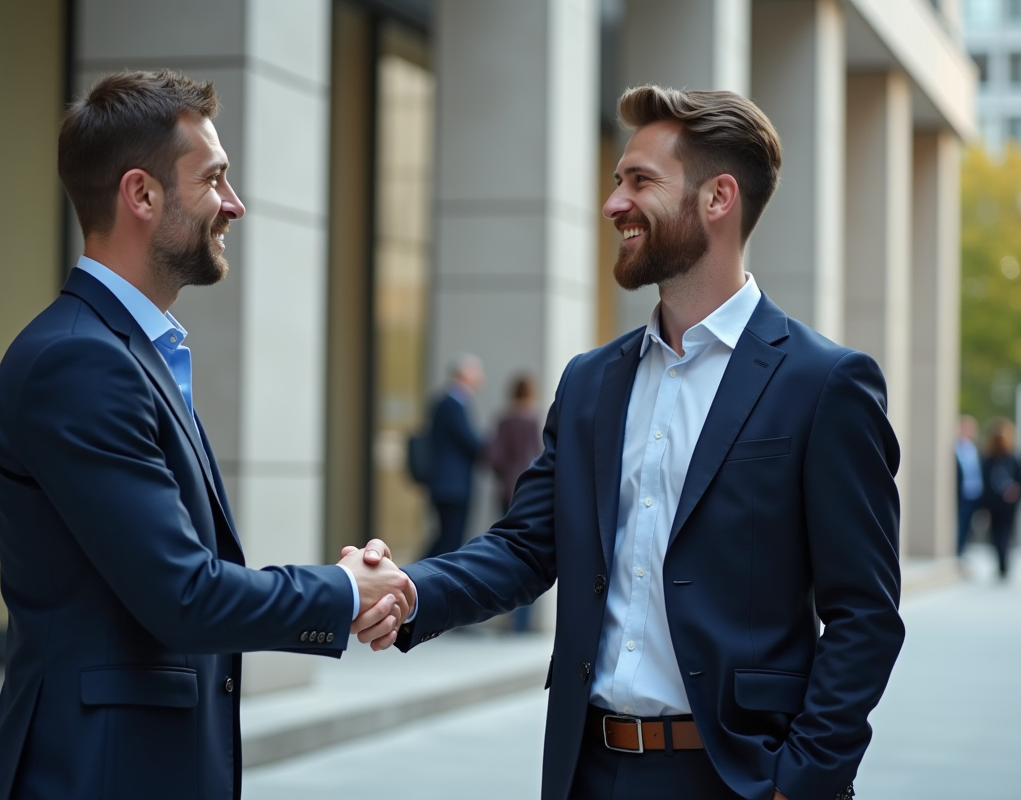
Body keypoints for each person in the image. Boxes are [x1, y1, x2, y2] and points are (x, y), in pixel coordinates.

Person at [364, 86, 905, 800]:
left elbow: (865, 613)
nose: (613, 203)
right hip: (588, 770)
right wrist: (411, 591)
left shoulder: (825, 383)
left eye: (640, 181)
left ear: (718, 198)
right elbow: (526, 547)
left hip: (737, 778)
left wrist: (800, 781)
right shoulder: (591, 382)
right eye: (618, 180)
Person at [0, 70, 412, 800]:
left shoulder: (126, 354)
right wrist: (344, 590)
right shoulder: (81, 363)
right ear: (141, 195)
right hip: (99, 774)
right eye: (213, 179)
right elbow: (184, 594)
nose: (234, 204)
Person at [487, 373, 543, 632]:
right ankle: (522, 622)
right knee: (530, 554)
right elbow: (540, 455)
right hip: (528, 492)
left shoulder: (505, 419)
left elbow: (495, 457)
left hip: (506, 490)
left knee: (506, 551)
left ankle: (507, 615)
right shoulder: (533, 420)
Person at [423, 354, 485, 559]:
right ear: (465, 375)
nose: (481, 378)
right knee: (449, 541)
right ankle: (415, 574)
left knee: (447, 539)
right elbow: (469, 441)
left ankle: (416, 573)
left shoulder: (451, 403)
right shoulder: (451, 404)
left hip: (449, 485)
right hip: (451, 487)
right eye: (477, 373)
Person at [980, 418, 1021, 580]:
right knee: (1000, 533)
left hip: (1007, 504)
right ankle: (1002, 564)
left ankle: (1003, 564)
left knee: (1002, 533)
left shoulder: (1012, 458)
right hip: (996, 503)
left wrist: (1015, 491)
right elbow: (985, 481)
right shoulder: (989, 459)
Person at [955, 415, 984, 560]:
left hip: (973, 493)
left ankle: (962, 550)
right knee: (959, 522)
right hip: (960, 493)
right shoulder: (956, 446)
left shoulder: (973, 448)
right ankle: (957, 550)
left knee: (967, 524)